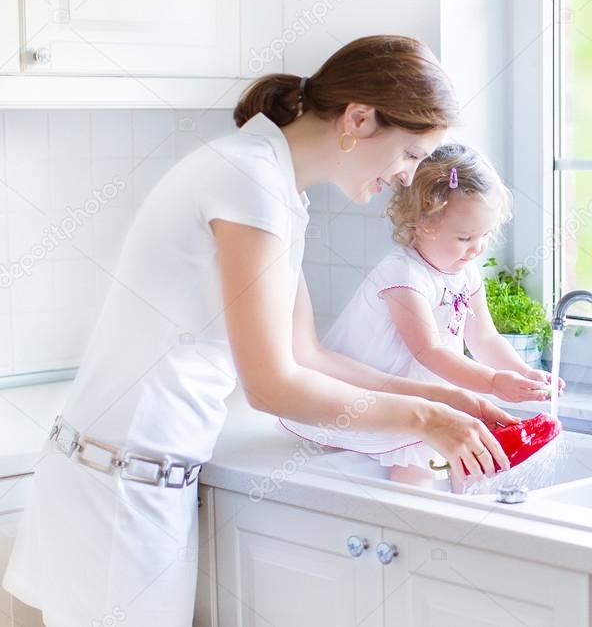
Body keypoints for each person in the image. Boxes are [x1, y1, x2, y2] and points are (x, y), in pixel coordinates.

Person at [2, 35, 516, 627]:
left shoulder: (273, 184)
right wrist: (424, 421)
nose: (406, 177)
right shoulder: (249, 182)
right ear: (359, 118)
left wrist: (447, 397)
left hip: (121, 479)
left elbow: (306, 355)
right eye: (409, 154)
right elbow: (270, 385)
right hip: (119, 493)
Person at [282, 143, 565, 486]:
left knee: (458, 451)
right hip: (372, 396)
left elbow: (485, 337)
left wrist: (521, 373)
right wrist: (492, 382)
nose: (477, 248)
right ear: (423, 223)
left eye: (485, 234)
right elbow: (428, 351)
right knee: (417, 461)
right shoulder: (403, 275)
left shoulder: (466, 270)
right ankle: (416, 514)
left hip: (423, 392)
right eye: (465, 237)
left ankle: (453, 517)